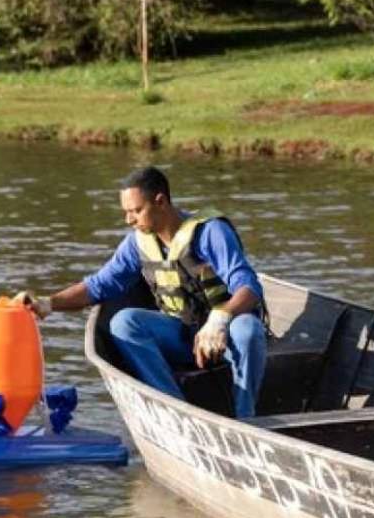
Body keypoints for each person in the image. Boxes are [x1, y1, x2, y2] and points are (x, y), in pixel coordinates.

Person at [26, 166, 267, 419]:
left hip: (224, 336)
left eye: (136, 211)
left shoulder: (211, 232)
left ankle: (245, 417)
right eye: (126, 212)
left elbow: (249, 287)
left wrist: (219, 319)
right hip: (181, 334)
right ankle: (174, 410)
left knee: (248, 330)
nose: (129, 220)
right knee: (124, 322)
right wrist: (48, 304)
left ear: (160, 202)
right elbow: (98, 286)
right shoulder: (136, 243)